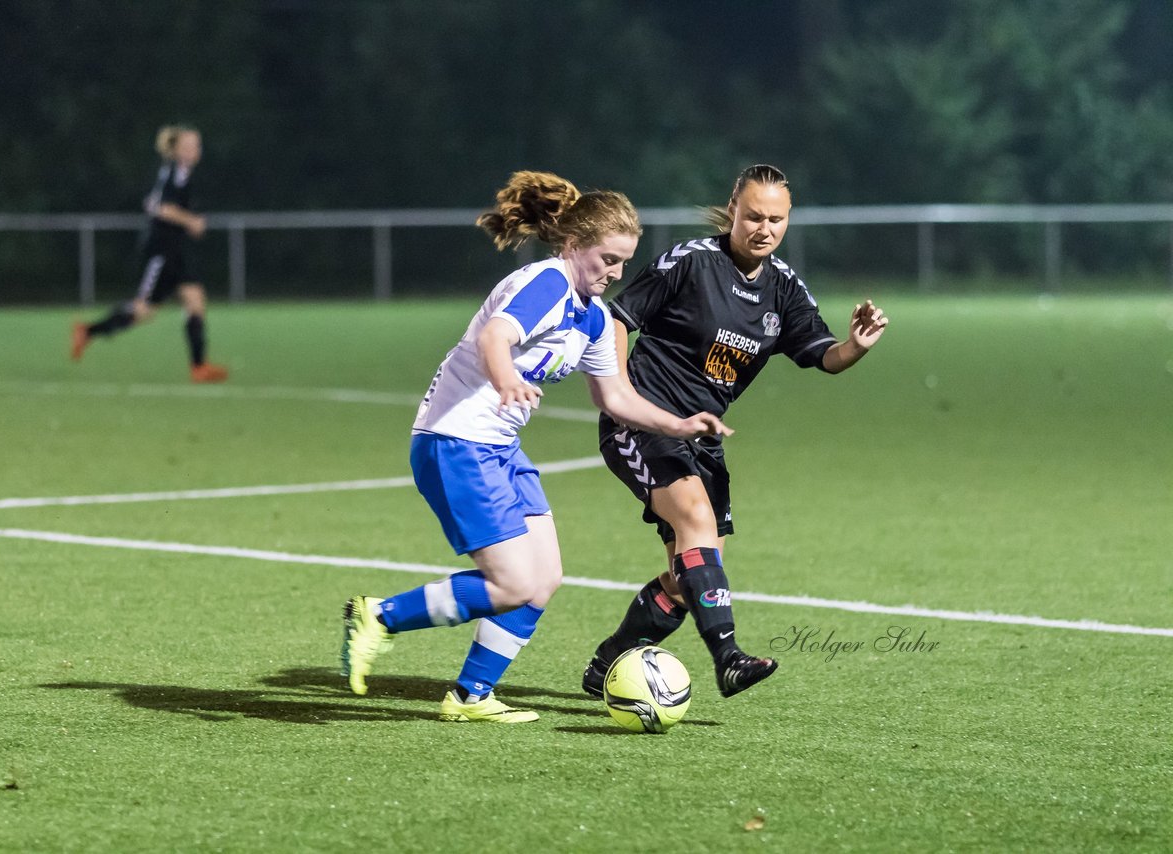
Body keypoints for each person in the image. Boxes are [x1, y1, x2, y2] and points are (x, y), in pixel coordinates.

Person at [340, 171, 732, 723]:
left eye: (624, 262)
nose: (615, 273)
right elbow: (493, 337)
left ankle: (471, 695)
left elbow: (615, 396)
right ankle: (377, 616)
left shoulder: (593, 317)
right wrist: (505, 380)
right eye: (606, 260)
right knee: (512, 582)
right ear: (573, 246)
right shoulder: (545, 284)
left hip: (498, 448)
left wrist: (679, 423)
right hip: (455, 442)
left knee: (543, 578)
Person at [579, 163, 890, 700]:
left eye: (775, 219)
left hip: (703, 437)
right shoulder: (692, 262)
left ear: (788, 221)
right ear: (733, 209)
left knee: (689, 579)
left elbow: (824, 356)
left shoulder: (784, 288)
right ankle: (728, 658)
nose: (763, 229)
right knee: (696, 521)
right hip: (646, 420)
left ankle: (608, 662)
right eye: (753, 216)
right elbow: (617, 318)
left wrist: (855, 347)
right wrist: (623, 397)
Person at [71, 124, 229, 383]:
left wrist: (186, 221)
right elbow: (159, 207)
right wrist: (191, 221)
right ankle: (88, 331)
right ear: (177, 149)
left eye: (197, 145)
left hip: (176, 250)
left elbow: (154, 202)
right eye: (190, 145)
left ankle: (199, 367)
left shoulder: (181, 173)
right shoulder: (173, 173)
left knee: (195, 299)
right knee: (143, 310)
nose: (196, 150)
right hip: (161, 250)